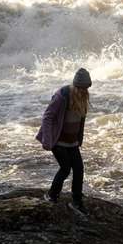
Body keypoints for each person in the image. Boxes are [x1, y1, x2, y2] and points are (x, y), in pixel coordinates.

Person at [35, 68, 92, 215]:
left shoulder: (83, 97)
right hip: (57, 140)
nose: (84, 91)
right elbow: (47, 117)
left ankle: (77, 201)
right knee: (66, 168)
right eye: (82, 88)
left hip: (72, 141)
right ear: (76, 86)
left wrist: (80, 138)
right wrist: (47, 140)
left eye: (86, 88)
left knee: (79, 169)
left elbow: (82, 119)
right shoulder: (62, 96)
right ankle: (51, 196)